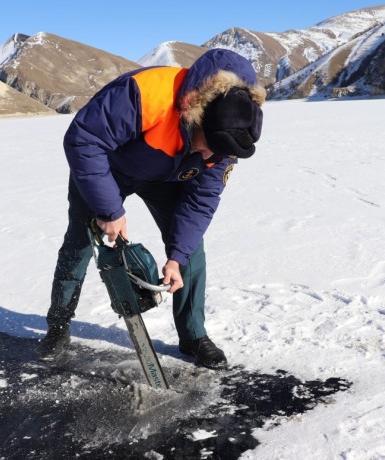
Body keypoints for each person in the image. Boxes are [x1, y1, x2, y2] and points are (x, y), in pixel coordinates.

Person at [40, 49, 265, 369]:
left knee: (190, 252)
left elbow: (200, 202)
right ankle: (58, 325)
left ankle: (193, 335)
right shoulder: (147, 94)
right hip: (107, 169)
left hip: (168, 176)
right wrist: (109, 209)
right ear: (199, 116)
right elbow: (83, 140)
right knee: (79, 244)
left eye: (219, 153)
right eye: (207, 145)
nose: (209, 156)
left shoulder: (226, 142)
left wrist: (176, 258)